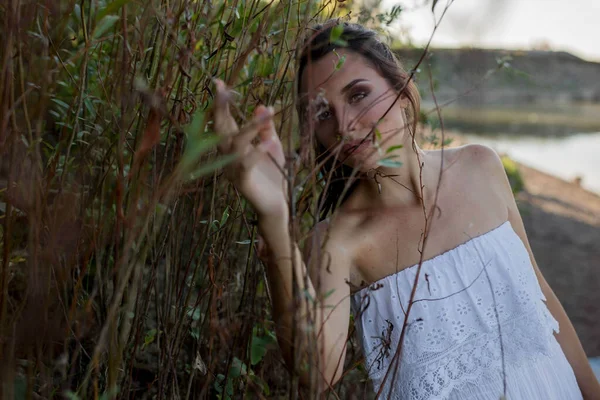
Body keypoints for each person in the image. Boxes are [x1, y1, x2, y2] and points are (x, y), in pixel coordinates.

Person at [212, 20, 600, 399]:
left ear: (399, 86)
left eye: (358, 94)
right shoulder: (338, 243)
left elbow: (542, 295)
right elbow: (317, 377)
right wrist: (275, 219)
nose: (345, 125)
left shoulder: (481, 166)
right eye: (323, 113)